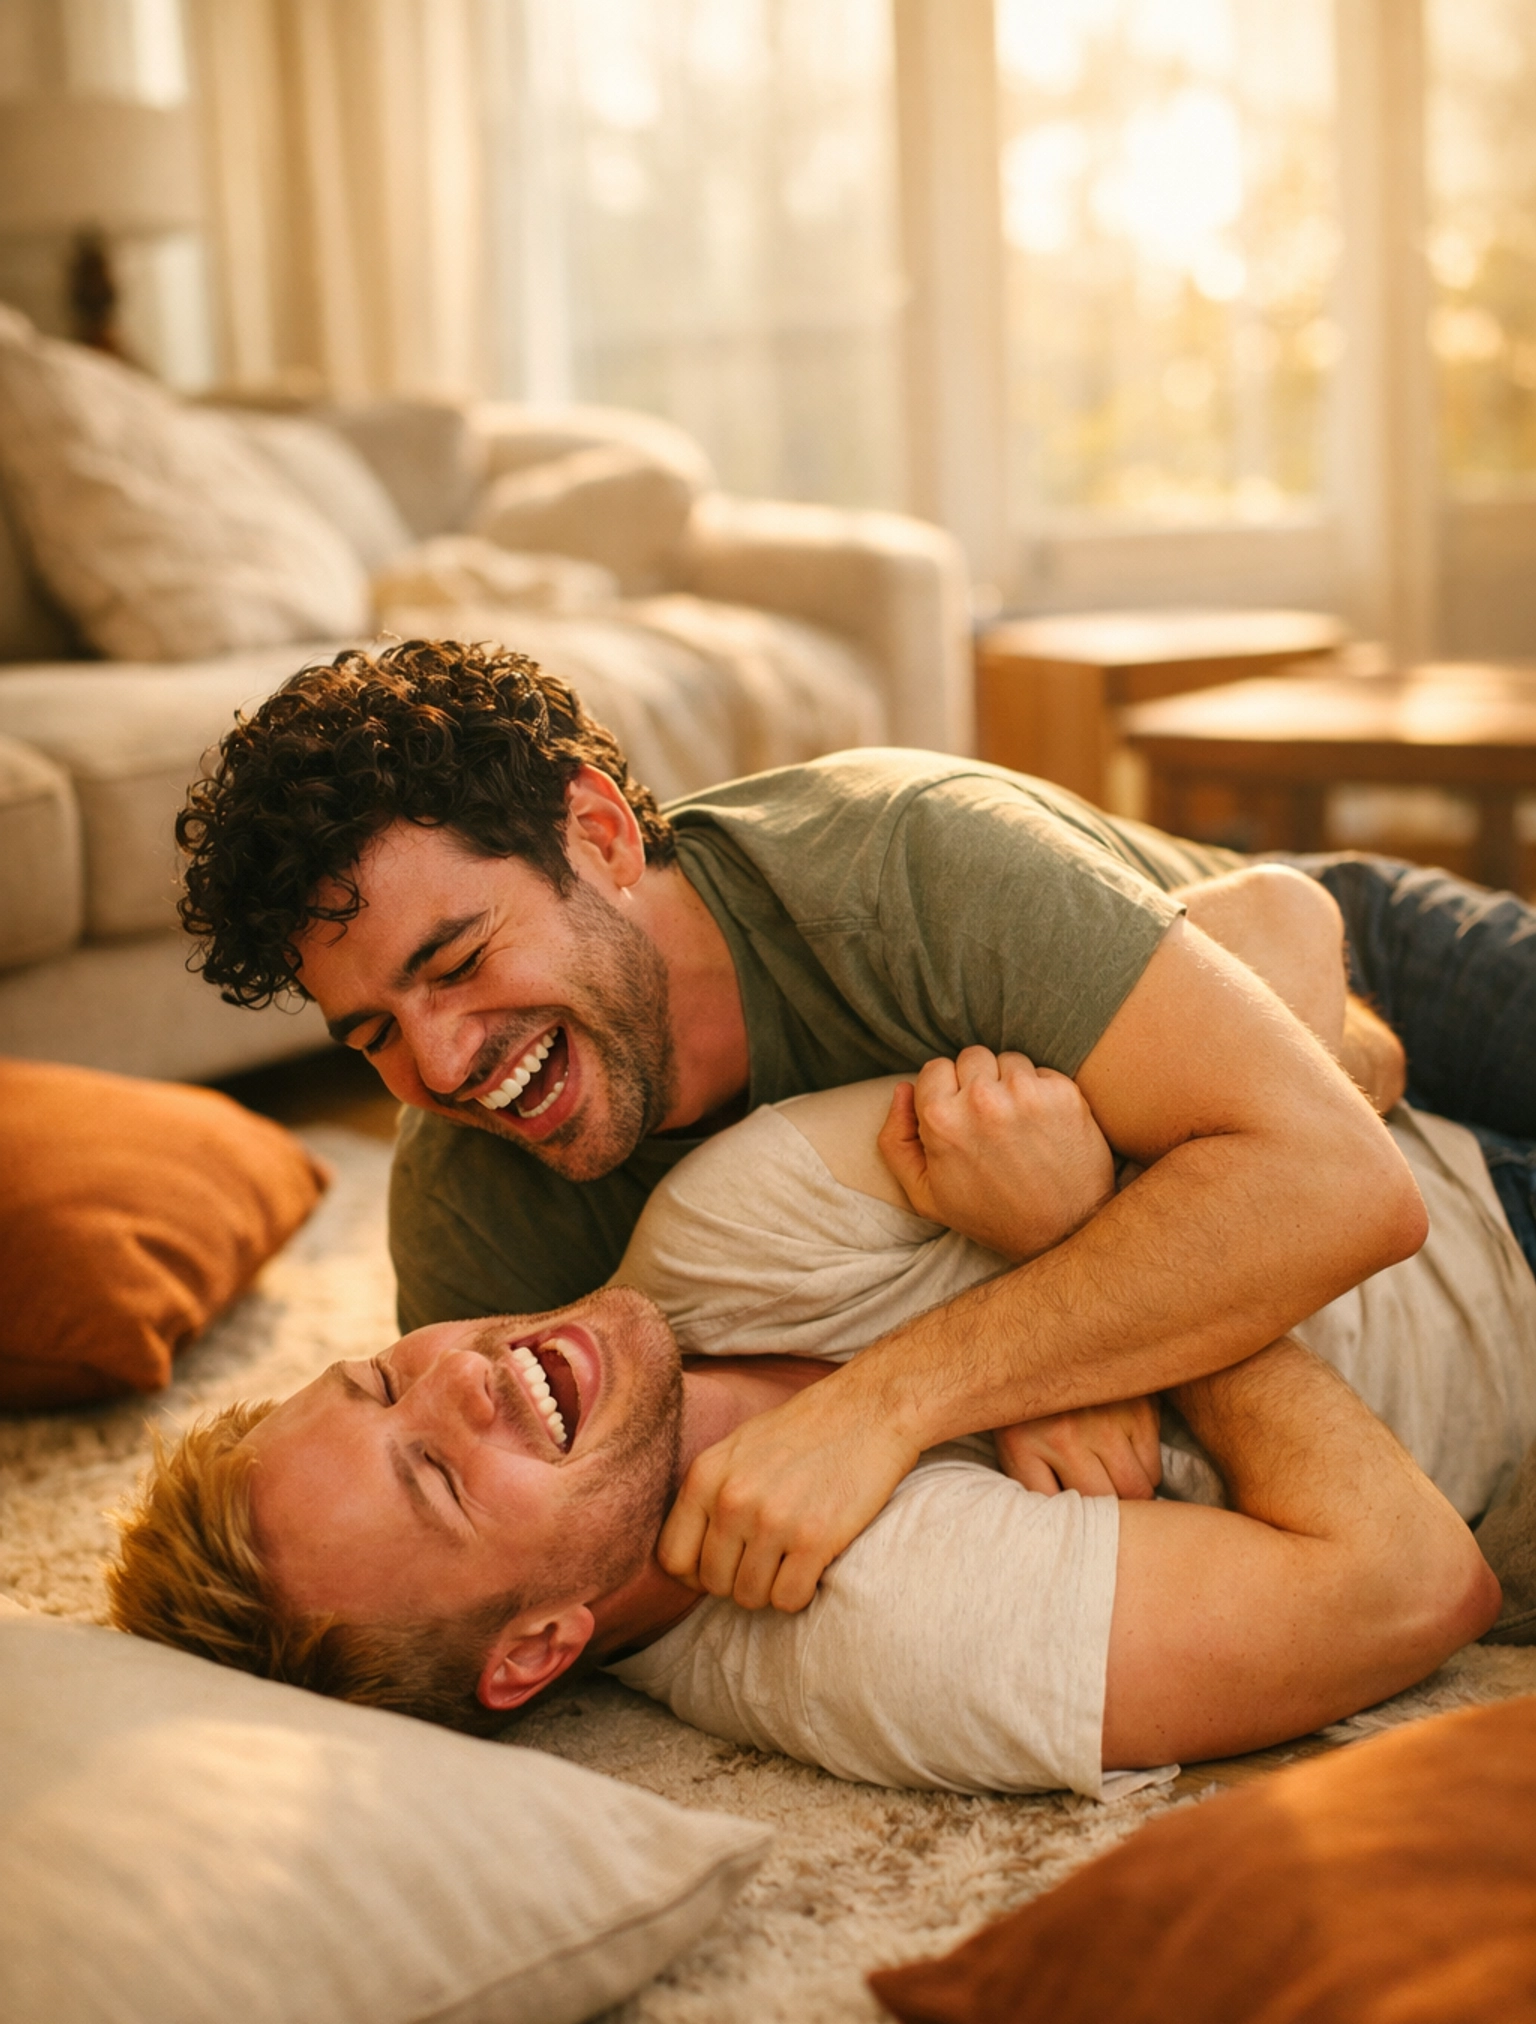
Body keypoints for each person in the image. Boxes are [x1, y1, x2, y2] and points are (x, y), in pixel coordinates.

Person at [172, 638, 1533, 1601]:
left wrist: (912, 1397)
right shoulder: (473, 1206)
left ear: (598, 835)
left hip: (1349, 963)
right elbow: (547, 1557)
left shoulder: (899, 867)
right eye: (373, 1038)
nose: (446, 1067)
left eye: (458, 964)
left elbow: (1339, 1188)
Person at [108, 1067, 1508, 1798]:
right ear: (536, 1647)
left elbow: (1161, 1063)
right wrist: (1091, 1253)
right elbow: (1414, 1583)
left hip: (1397, 1094)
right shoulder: (879, 1638)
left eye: (373, 1380)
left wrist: (1046, 1324)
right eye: (436, 1480)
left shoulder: (720, 1226)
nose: (457, 1380)